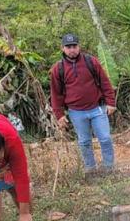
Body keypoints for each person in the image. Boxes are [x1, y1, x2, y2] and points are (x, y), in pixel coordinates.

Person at [49, 33, 117, 174]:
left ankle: (109, 168)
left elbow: (105, 83)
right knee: (84, 142)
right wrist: (59, 115)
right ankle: (90, 170)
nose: (72, 49)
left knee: (105, 138)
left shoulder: (91, 62)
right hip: (76, 112)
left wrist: (111, 102)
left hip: (97, 108)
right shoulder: (58, 69)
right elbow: (56, 94)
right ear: (63, 49)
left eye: (74, 46)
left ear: (79, 47)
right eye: (68, 47)